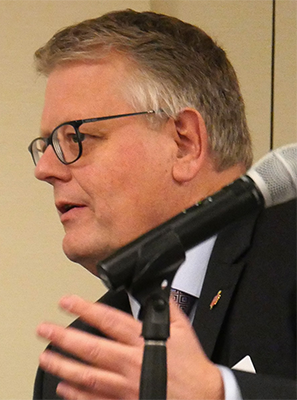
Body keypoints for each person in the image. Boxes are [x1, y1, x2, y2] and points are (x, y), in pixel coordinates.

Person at [28, 10, 296, 399]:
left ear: (184, 143)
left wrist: (219, 393)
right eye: (48, 145)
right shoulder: (81, 361)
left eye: (77, 138)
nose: (46, 169)